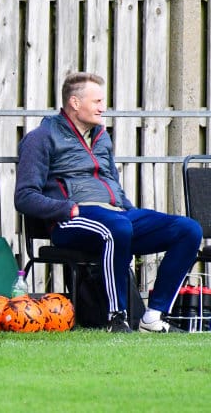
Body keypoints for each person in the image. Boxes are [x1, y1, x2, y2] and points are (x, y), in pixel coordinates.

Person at [14, 71, 202, 333]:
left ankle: (153, 317)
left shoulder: (101, 137)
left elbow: (111, 181)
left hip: (116, 215)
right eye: (97, 101)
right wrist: (67, 209)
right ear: (75, 103)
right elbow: (24, 197)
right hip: (71, 220)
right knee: (117, 227)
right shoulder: (41, 138)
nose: (103, 108)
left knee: (188, 230)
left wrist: (128, 209)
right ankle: (117, 318)